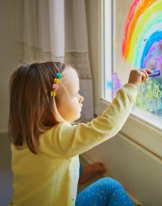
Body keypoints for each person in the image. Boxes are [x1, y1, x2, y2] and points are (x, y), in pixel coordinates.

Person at [8, 62, 151, 206]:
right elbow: (109, 124)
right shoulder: (59, 138)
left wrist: (85, 170)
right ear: (49, 102)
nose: (81, 98)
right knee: (109, 187)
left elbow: (51, 168)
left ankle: (81, 173)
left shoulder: (25, 137)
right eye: (75, 94)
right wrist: (131, 86)